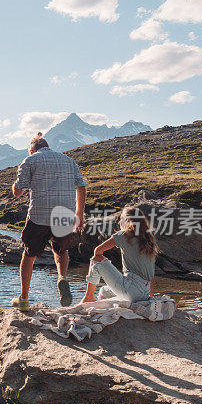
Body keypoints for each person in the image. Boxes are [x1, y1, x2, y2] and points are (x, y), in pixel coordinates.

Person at [11, 132, 87, 311]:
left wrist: (16, 177)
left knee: (29, 254)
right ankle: (62, 278)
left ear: (32, 149)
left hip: (39, 216)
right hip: (65, 214)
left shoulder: (29, 161)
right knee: (61, 251)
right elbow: (81, 187)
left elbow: (18, 192)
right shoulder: (69, 161)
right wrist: (79, 215)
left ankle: (23, 299)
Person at [81, 206, 158, 304]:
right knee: (104, 291)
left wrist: (106, 263)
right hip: (143, 294)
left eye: (120, 219)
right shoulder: (149, 240)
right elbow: (151, 276)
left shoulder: (124, 235)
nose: (118, 222)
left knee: (97, 259)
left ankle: (89, 297)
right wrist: (151, 296)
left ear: (128, 220)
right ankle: (99, 303)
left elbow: (97, 251)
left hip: (131, 289)